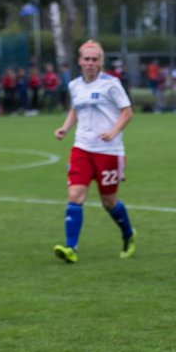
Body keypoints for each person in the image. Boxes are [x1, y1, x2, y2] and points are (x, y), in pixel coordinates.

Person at [51, 40, 136, 264]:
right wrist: (65, 128)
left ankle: (128, 234)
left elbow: (127, 113)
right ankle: (71, 248)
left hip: (108, 151)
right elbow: (75, 110)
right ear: (79, 61)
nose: (90, 63)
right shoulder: (75, 85)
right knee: (74, 196)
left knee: (108, 201)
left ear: (101, 62)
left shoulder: (111, 84)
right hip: (82, 148)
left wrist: (113, 131)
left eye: (94, 59)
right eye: (86, 59)